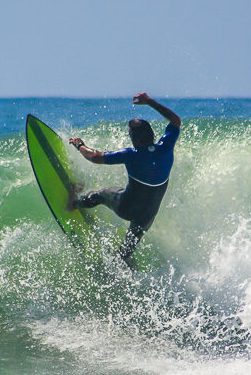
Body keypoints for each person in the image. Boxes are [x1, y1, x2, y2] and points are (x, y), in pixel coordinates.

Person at [68, 92, 181, 263]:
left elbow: (96, 157)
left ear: (133, 138)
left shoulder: (131, 154)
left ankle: (74, 203)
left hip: (125, 207)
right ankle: (121, 263)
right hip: (146, 217)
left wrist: (80, 145)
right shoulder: (166, 147)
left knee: (102, 194)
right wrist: (150, 102)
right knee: (128, 248)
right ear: (152, 134)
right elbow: (175, 121)